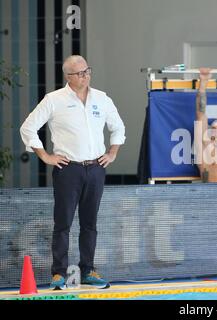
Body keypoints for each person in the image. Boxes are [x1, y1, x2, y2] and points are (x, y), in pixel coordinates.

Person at [20, 55, 126, 289]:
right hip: (68, 169)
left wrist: (113, 152)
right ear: (68, 76)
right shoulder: (54, 100)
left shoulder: (102, 98)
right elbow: (28, 128)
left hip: (96, 168)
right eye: (79, 73)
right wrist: (46, 156)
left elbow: (118, 127)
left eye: (87, 70)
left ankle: (88, 270)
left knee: (90, 223)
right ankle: (58, 273)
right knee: (63, 223)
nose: (85, 75)